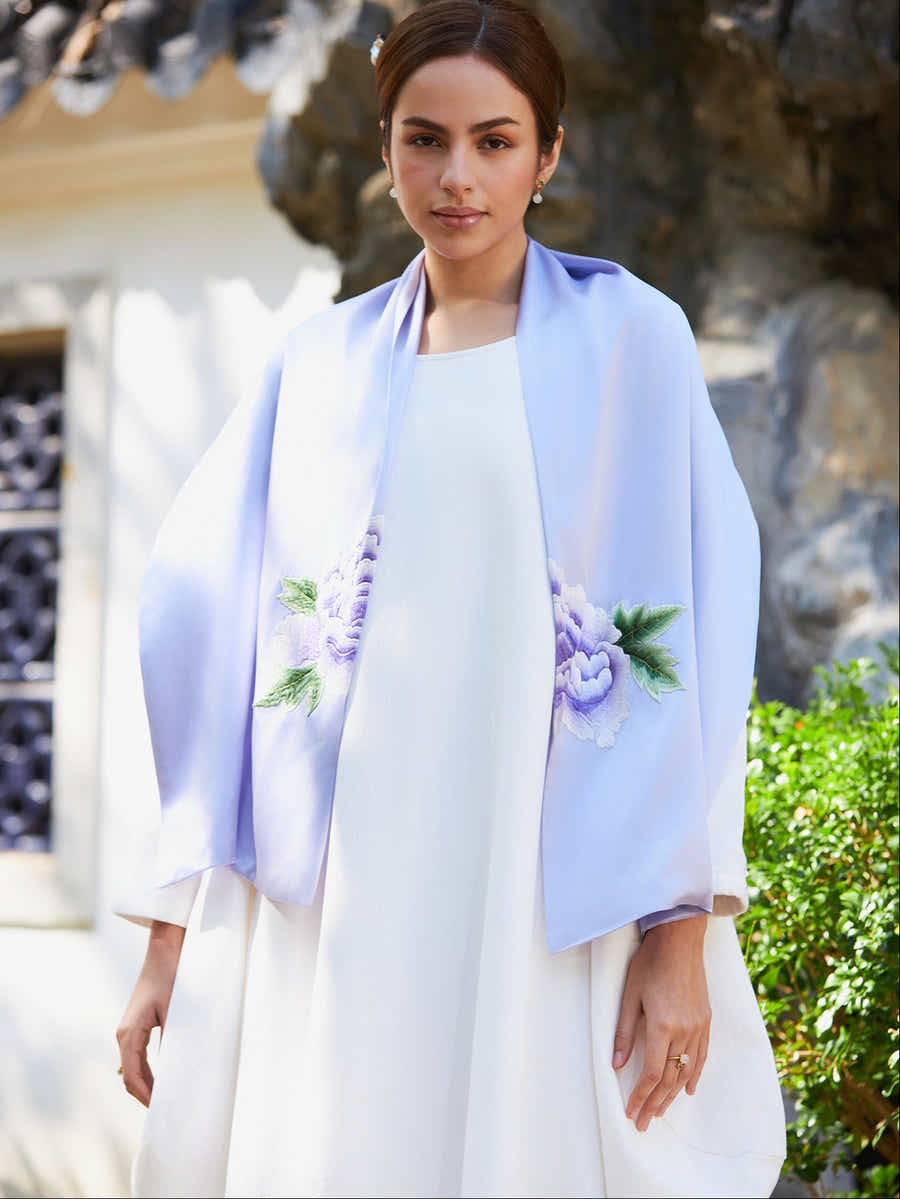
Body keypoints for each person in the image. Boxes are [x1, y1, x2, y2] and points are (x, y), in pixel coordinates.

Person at [113, 2, 787, 1196]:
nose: (457, 176)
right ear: (385, 148)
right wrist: (175, 934)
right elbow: (211, 625)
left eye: (495, 140)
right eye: (424, 139)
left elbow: (697, 626)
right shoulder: (316, 368)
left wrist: (680, 929)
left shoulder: (633, 341)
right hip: (344, 880)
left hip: (541, 873)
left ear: (549, 153)